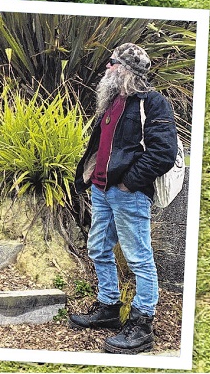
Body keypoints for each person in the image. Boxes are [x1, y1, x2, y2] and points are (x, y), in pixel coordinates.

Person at [68, 43, 178, 354]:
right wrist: (91, 179)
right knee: (99, 248)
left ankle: (142, 326)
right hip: (102, 191)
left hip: (128, 194)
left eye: (111, 63)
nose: (106, 67)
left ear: (125, 69)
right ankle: (109, 308)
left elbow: (163, 153)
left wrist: (129, 183)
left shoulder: (153, 104)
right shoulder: (112, 101)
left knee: (139, 258)